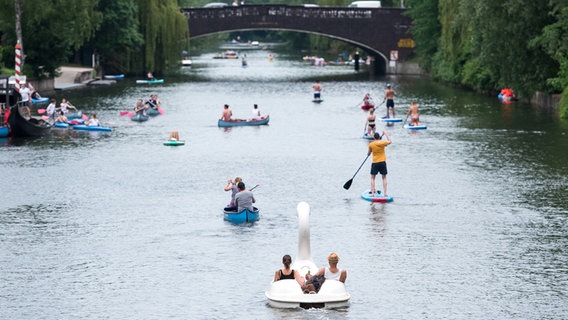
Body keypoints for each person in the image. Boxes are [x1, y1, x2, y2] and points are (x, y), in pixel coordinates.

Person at [368, 131, 391, 196]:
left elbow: (369, 153)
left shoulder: (371, 144)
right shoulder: (383, 143)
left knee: (372, 178)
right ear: (379, 137)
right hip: (382, 162)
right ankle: (385, 193)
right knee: (384, 177)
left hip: (375, 162)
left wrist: (370, 153)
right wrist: (386, 133)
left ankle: (372, 193)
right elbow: (390, 141)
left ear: (374, 137)